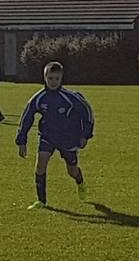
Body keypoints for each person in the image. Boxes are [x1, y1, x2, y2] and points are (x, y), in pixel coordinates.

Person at [15, 61, 95, 209]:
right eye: (50, 78)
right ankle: (41, 201)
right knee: (40, 165)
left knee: (71, 171)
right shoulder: (39, 98)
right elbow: (27, 117)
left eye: (56, 79)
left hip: (68, 138)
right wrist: (22, 140)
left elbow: (87, 112)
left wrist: (85, 134)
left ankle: (80, 181)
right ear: (45, 77)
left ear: (61, 79)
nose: (53, 82)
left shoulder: (70, 97)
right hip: (47, 136)